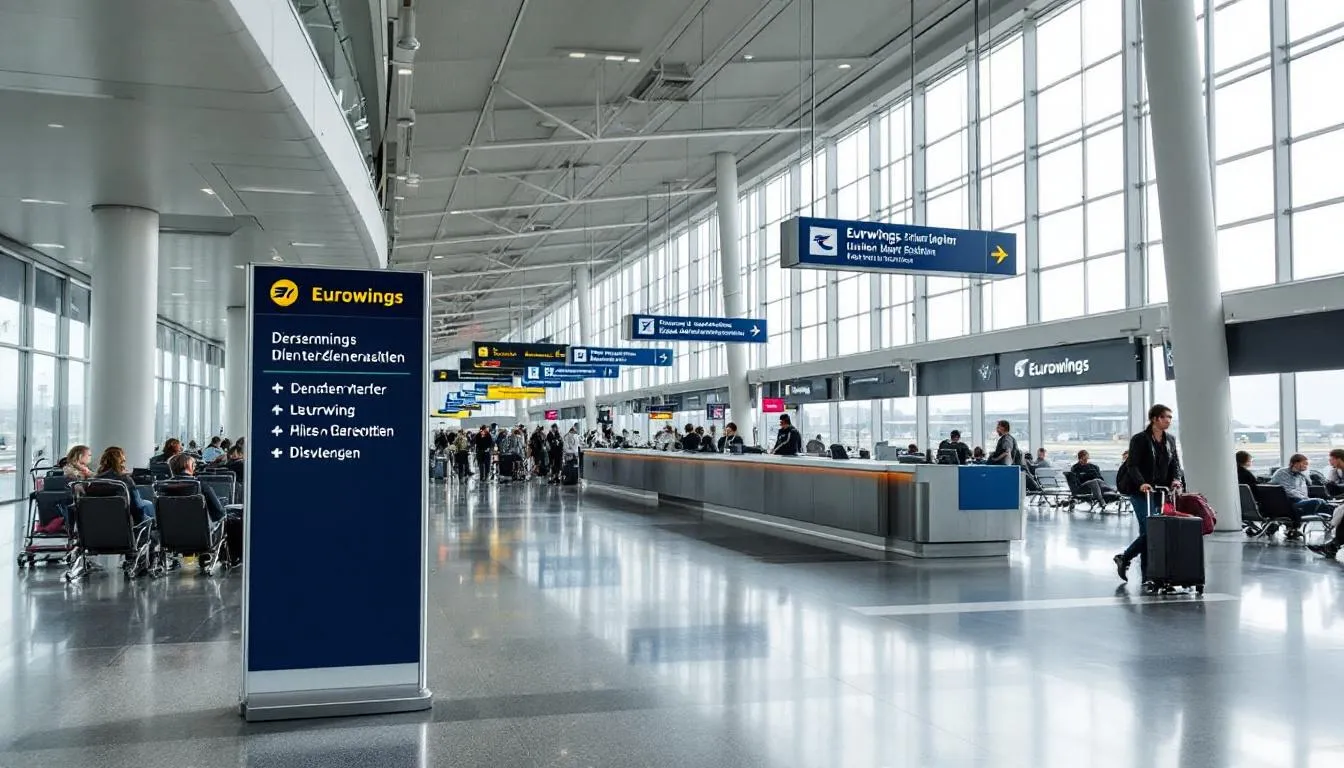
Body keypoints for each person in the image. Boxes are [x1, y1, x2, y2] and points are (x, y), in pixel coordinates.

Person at [1113, 404, 1182, 584]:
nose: (1169, 420)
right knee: (1152, 529)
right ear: (1155, 419)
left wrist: (1176, 478)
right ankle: (1128, 559)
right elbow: (1132, 465)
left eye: (1170, 417)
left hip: (1159, 492)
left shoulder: (1171, 440)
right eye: (1165, 417)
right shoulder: (1140, 439)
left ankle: (1145, 574)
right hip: (1140, 492)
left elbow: (1175, 463)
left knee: (1148, 531)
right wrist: (1141, 482)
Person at [92, 446, 155, 522]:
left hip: (99, 521)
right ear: (121, 461)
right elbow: (136, 505)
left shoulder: (94, 480)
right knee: (148, 504)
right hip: (123, 521)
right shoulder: (124, 480)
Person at [165, 452, 228, 522]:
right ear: (189, 465)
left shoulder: (164, 486)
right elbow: (218, 513)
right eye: (194, 464)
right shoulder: (200, 485)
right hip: (198, 530)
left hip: (170, 530)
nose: (195, 466)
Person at [1269, 454, 1333, 523]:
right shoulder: (1282, 473)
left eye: (1307, 464)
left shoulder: (1300, 475)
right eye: (1304, 464)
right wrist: (1305, 499)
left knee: (1323, 504)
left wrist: (1304, 474)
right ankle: (1336, 517)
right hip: (1289, 504)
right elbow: (1288, 491)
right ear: (1296, 463)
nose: (1306, 466)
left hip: (1297, 501)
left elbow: (1308, 485)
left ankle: (1335, 515)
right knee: (1319, 502)